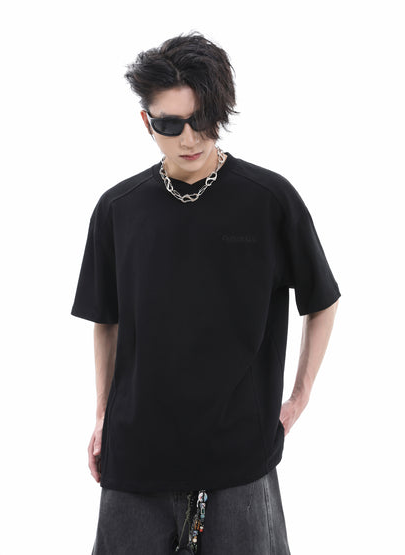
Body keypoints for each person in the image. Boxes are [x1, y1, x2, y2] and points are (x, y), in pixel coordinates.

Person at [70, 31, 341, 555]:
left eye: (203, 120)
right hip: (138, 455)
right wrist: (102, 416)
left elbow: (322, 299)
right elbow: (106, 319)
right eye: (170, 125)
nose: (189, 138)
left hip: (239, 458)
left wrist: (300, 398)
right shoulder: (118, 209)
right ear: (146, 122)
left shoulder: (269, 200)